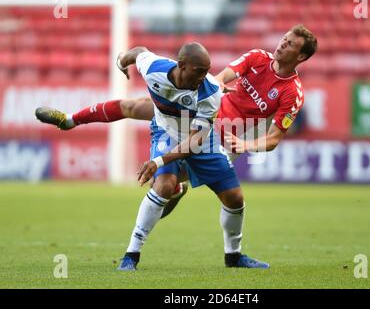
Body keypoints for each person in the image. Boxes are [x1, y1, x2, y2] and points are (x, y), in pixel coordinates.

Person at [36, 24, 318, 217]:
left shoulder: (292, 93)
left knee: (165, 184)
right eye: (283, 39)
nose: (282, 44)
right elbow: (223, 76)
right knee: (133, 105)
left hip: (222, 136)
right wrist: (214, 89)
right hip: (204, 108)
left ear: (301, 56)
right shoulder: (258, 57)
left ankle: (177, 191)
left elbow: (273, 140)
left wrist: (244, 144)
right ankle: (69, 120)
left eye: (291, 44)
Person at [49, 42, 268, 270]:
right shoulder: (155, 68)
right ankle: (131, 255)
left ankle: (233, 257)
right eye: (199, 71)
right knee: (162, 185)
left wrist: (158, 161)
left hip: (200, 139)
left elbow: (194, 143)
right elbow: (139, 52)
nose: (204, 77)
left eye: (206, 71)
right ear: (181, 66)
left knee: (235, 198)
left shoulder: (210, 93)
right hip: (165, 133)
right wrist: (122, 60)